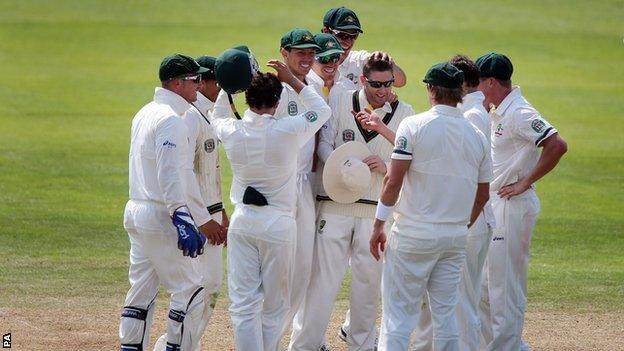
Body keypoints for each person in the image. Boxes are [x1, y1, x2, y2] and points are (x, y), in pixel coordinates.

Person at [290, 55, 414, 351]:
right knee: (321, 283)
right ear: (362, 79)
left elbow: (412, 156)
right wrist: (343, 164)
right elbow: (324, 142)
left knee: (368, 286)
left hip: (375, 212)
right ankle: (304, 346)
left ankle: (360, 345)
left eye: (388, 84)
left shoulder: (406, 112)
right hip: (333, 204)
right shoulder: (341, 100)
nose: (382, 90)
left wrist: (385, 165)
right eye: (375, 84)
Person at [211, 47, 331, 351]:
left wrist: (229, 86)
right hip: (279, 224)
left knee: (242, 303)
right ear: (277, 103)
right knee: (276, 306)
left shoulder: (232, 131)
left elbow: (218, 114)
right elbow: (322, 110)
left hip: (243, 223)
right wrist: (293, 80)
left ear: (248, 100)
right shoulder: (289, 131)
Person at [370, 62, 493, 351]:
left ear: (431, 89)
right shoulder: (476, 135)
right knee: (446, 315)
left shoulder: (413, 125)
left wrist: (378, 224)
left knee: (397, 317)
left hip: (413, 233)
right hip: (453, 238)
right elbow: (483, 195)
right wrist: (460, 226)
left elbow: (392, 180)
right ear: (460, 92)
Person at [120, 53, 222, 351]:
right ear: (177, 84)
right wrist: (183, 217)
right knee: (191, 288)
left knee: (141, 290)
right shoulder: (172, 120)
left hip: (137, 210)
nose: (199, 86)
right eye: (194, 80)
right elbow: (173, 173)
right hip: (161, 213)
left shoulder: (144, 112)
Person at [476, 52, 567, 351]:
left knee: (505, 287)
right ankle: (507, 347)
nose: (475, 88)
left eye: (478, 82)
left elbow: (557, 144)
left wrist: (525, 181)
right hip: (495, 205)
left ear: (490, 81)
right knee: (486, 287)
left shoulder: (519, 112)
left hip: (512, 206)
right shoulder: (497, 109)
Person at [411, 55, 496, 351]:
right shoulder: (472, 110)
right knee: (455, 301)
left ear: (460, 84)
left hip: (466, 220)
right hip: (468, 218)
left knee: (460, 304)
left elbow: (444, 163)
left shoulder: (470, 116)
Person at [152, 55, 229, 351]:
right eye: (214, 81)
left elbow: (209, 172)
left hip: (210, 215)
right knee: (197, 289)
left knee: (209, 288)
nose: (220, 87)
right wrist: (203, 220)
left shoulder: (208, 115)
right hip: (197, 222)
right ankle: (174, 345)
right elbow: (184, 176)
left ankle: (181, 345)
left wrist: (220, 211)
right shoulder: (189, 118)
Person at [272, 29, 325, 341]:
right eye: (300, 52)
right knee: (277, 271)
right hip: (278, 185)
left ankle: (274, 339)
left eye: (310, 53)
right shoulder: (271, 87)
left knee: (301, 271)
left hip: (305, 185)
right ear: (284, 53)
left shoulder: (315, 85)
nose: (307, 58)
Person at [321, 6, 407, 90]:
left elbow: (400, 82)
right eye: (342, 35)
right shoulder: (311, 61)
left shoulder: (359, 60)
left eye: (354, 36)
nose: (348, 41)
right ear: (326, 32)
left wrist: (386, 63)